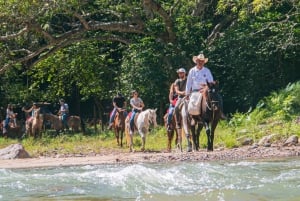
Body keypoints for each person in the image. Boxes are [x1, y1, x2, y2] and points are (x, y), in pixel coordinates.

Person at [185, 52, 225, 119]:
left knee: (217, 97)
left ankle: (219, 112)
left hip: (206, 89)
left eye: (202, 61)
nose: (200, 62)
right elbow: (189, 83)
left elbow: (211, 82)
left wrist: (206, 85)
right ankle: (192, 116)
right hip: (195, 91)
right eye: (199, 61)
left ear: (204, 62)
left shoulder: (207, 71)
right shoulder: (192, 71)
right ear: (196, 61)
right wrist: (187, 93)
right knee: (192, 102)